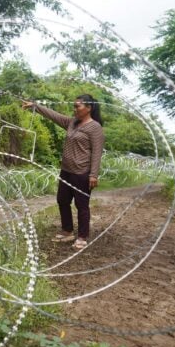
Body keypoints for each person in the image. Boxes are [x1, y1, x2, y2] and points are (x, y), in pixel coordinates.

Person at [22, 95, 105, 249]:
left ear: (89, 108)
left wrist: (93, 175)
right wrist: (35, 106)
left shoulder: (95, 128)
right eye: (74, 106)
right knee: (62, 200)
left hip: (82, 173)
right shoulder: (71, 123)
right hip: (66, 171)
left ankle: (82, 236)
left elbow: (97, 153)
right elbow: (53, 115)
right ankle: (67, 231)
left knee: (82, 205)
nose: (74, 109)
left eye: (77, 106)